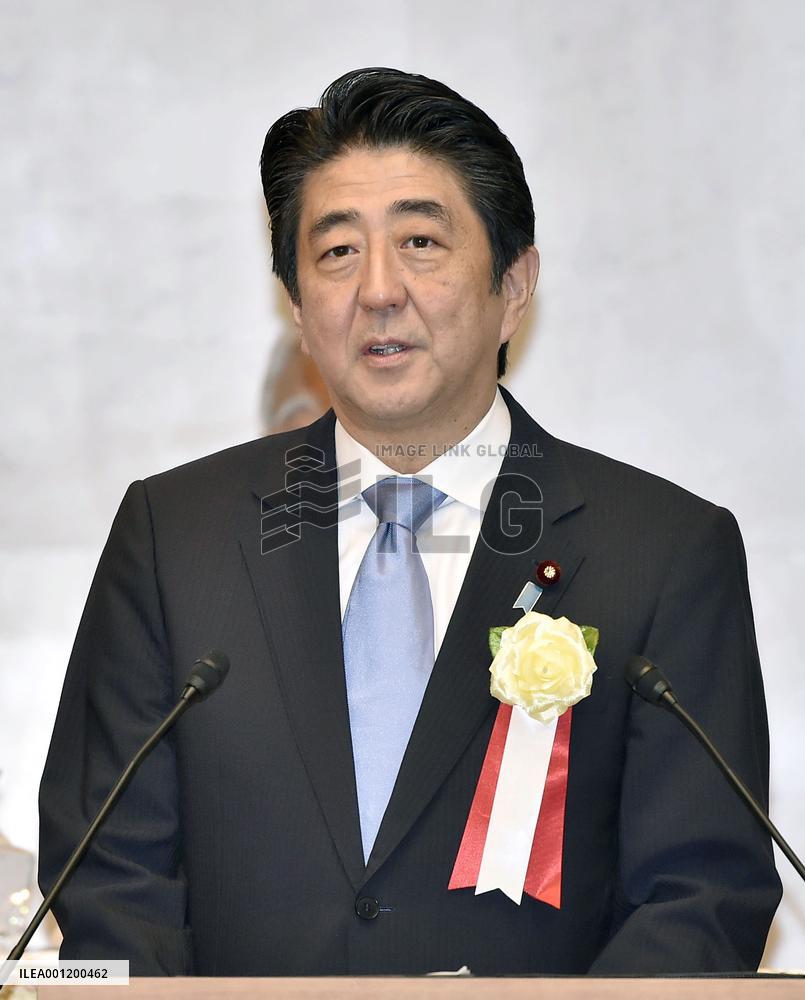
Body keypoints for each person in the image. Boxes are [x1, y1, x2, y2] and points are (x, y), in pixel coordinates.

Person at [38, 67, 781, 977]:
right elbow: (110, 879)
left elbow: (701, 896)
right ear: (299, 309)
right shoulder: (174, 537)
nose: (378, 290)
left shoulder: (660, 552)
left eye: (421, 242)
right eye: (336, 252)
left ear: (514, 285)